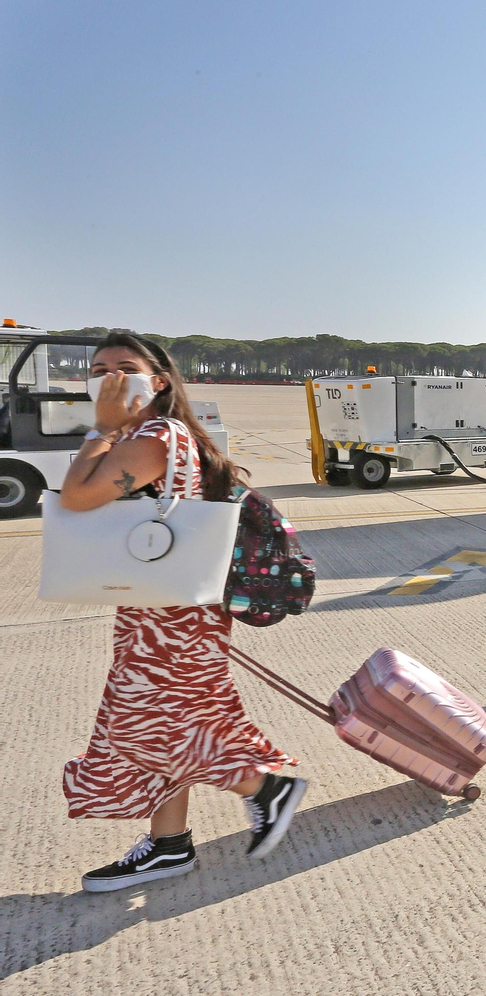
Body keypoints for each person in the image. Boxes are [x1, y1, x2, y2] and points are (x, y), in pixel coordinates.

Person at [58, 332, 308, 893]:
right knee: (168, 723)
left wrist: (101, 429)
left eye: (125, 367)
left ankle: (266, 790)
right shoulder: (156, 434)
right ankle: (169, 846)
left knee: (145, 727)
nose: (111, 378)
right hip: (161, 608)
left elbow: (76, 497)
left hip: (169, 618)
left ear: (161, 381)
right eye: (99, 370)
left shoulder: (155, 435)